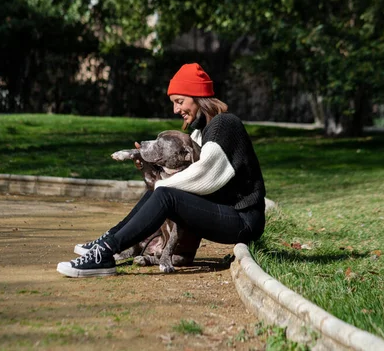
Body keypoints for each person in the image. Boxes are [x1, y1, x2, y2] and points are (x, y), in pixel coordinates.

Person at [57, 63, 266, 278]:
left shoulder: (225, 124)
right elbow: (183, 176)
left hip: (243, 220)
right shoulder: (201, 133)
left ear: (198, 97)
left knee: (165, 194)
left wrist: (160, 187)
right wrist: (150, 168)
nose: (176, 110)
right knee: (160, 192)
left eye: (180, 101)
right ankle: (108, 241)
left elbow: (205, 174)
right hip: (223, 212)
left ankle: (106, 253)